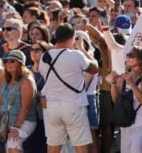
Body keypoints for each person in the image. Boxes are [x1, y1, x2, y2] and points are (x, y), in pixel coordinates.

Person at [38, 24, 98, 153]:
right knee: (81, 147)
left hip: (53, 107)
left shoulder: (44, 57)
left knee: (53, 147)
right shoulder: (76, 55)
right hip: (73, 106)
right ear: (72, 38)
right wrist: (81, 48)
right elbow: (94, 68)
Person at [0, 50, 37, 153]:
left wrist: (16, 127)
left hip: (25, 121)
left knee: (13, 143)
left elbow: (25, 108)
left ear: (21, 64)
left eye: (12, 61)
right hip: (5, 121)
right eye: (7, 61)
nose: (8, 64)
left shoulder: (27, 81)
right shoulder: (5, 80)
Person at [108, 45, 142, 152]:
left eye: (132, 55)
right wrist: (113, 83)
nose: (128, 57)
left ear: (141, 59)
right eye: (128, 55)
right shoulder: (125, 76)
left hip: (140, 125)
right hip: (126, 124)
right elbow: (115, 100)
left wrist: (131, 84)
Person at [23, 41, 52, 153]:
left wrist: (36, 94)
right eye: (32, 50)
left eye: (37, 50)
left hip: (44, 116)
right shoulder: (25, 71)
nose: (33, 52)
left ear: (45, 53)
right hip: (27, 116)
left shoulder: (51, 71)